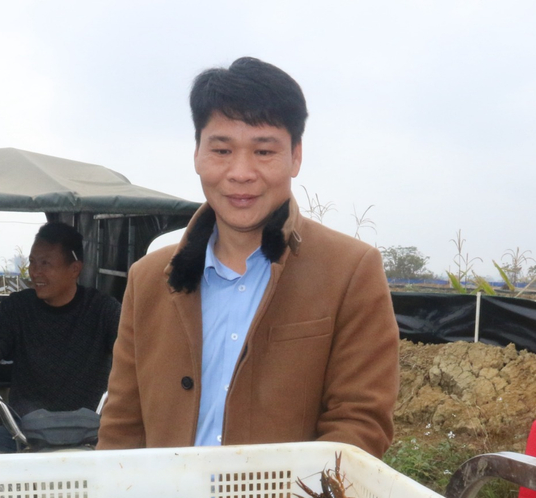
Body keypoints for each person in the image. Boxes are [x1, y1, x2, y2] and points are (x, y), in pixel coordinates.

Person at [97, 57, 399, 458]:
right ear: (197, 154)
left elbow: (360, 423)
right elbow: (122, 426)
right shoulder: (148, 278)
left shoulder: (350, 271)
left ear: (295, 156)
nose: (240, 172)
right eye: (222, 150)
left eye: (263, 151)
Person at [0, 221, 121, 453]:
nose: (35, 272)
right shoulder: (17, 308)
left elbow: (133, 353)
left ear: (74, 269)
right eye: (32, 262)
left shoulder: (103, 310)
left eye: (45, 263)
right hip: (24, 431)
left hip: (92, 431)